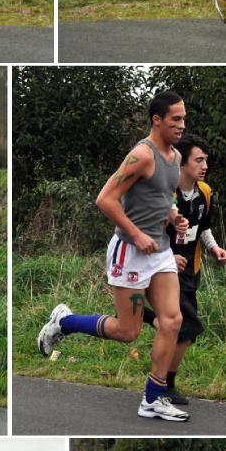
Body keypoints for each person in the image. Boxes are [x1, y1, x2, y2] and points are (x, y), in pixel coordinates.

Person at [37, 90, 192, 422]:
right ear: (157, 120)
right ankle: (64, 322)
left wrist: (173, 216)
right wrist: (135, 234)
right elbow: (105, 199)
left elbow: (163, 198)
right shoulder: (142, 155)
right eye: (176, 119)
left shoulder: (175, 157)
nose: (182, 125)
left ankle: (153, 398)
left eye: (183, 119)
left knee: (173, 321)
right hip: (130, 252)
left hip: (160, 251)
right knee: (127, 331)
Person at [141, 133, 226, 404]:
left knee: (185, 333)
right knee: (187, 326)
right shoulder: (166, 194)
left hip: (191, 269)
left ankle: (141, 315)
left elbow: (204, 228)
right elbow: (148, 232)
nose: (204, 166)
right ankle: (163, 386)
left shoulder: (205, 192)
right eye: (198, 160)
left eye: (206, 160)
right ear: (181, 162)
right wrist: (168, 256)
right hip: (164, 270)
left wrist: (214, 248)